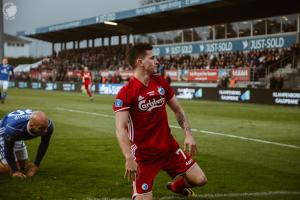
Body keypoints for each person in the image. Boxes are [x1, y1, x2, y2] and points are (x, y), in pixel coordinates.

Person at [113, 43, 207, 200]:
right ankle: (138, 189)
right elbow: (120, 128)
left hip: (168, 148)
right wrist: (129, 157)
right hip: (144, 156)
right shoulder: (126, 93)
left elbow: (178, 110)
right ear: (140, 62)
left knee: (200, 179)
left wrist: (188, 134)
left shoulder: (161, 82)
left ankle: (176, 187)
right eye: (152, 58)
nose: (157, 61)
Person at [0, 109, 53, 178]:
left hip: (17, 134)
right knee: (8, 168)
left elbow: (44, 144)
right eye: (41, 128)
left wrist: (36, 164)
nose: (46, 131)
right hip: (3, 131)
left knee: (24, 166)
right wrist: (14, 171)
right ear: (31, 126)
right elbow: (8, 149)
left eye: (46, 127)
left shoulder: (48, 126)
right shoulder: (14, 129)